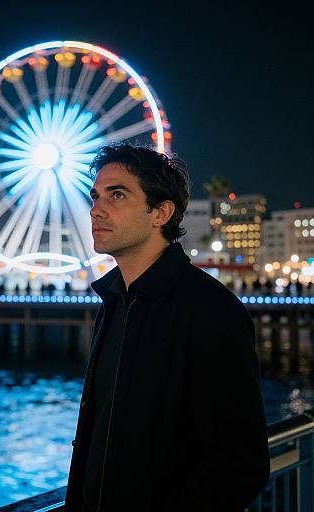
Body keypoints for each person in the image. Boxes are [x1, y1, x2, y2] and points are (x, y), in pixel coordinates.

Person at [65, 143, 270, 512]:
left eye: (117, 195)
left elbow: (240, 464)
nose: (96, 209)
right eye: (95, 196)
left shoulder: (211, 310)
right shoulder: (113, 302)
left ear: (161, 212)